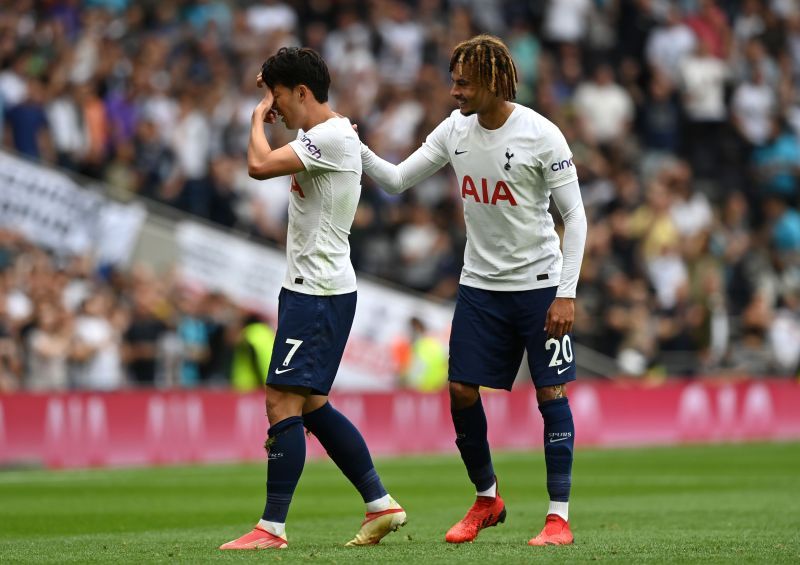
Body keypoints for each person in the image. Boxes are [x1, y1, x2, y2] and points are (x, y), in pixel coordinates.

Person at [359, 35, 587, 546]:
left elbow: (574, 216)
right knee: (460, 389)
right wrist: (356, 150)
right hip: (480, 286)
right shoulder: (454, 130)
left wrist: (566, 293)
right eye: (453, 79)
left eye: (463, 81)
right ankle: (488, 498)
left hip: (540, 285)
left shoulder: (541, 135)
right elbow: (397, 180)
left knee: (551, 391)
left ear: (491, 80)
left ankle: (558, 518)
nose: (454, 89)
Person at [220, 47, 406, 551]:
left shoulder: (329, 138)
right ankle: (380, 502)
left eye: (279, 96)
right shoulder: (330, 134)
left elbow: (258, 165)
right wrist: (271, 95)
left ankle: (271, 529)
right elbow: (384, 176)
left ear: (302, 92)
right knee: (314, 404)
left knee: (281, 399)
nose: (274, 107)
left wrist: (255, 115)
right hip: (310, 288)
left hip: (318, 292)